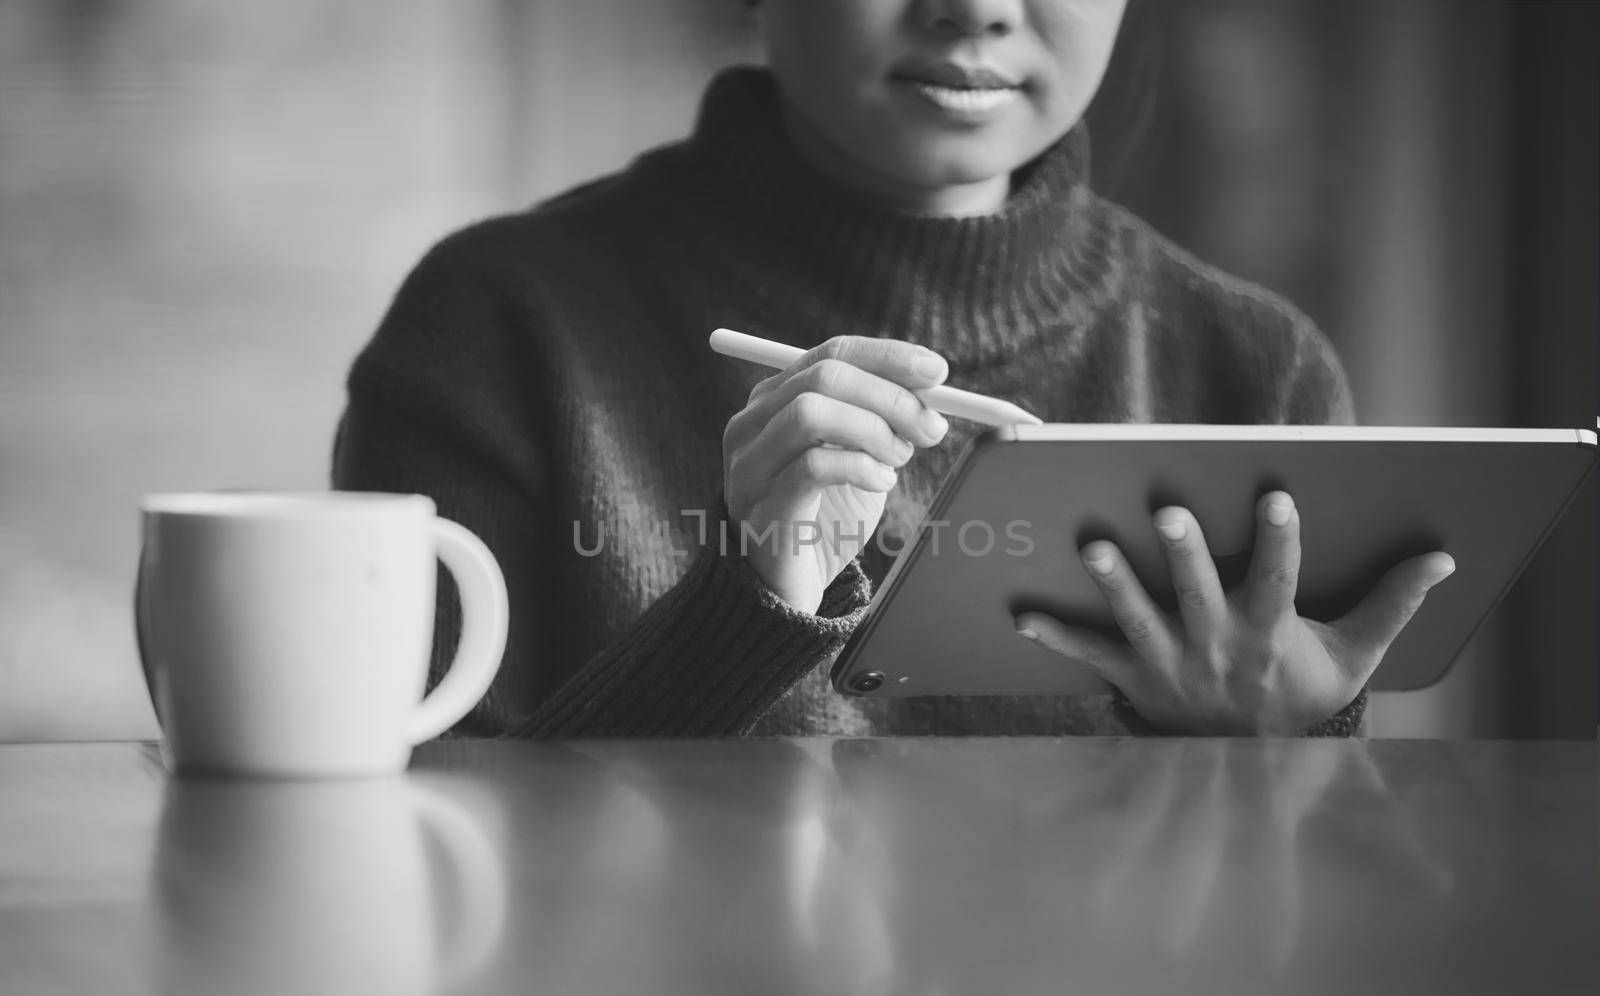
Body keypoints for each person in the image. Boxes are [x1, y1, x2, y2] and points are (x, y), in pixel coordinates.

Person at [332, 0, 1455, 739]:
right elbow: (431, 871)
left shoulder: (1251, 371)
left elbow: (1293, 944)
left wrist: (1285, 748)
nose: (975, 9)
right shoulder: (497, 325)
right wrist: (749, 605)